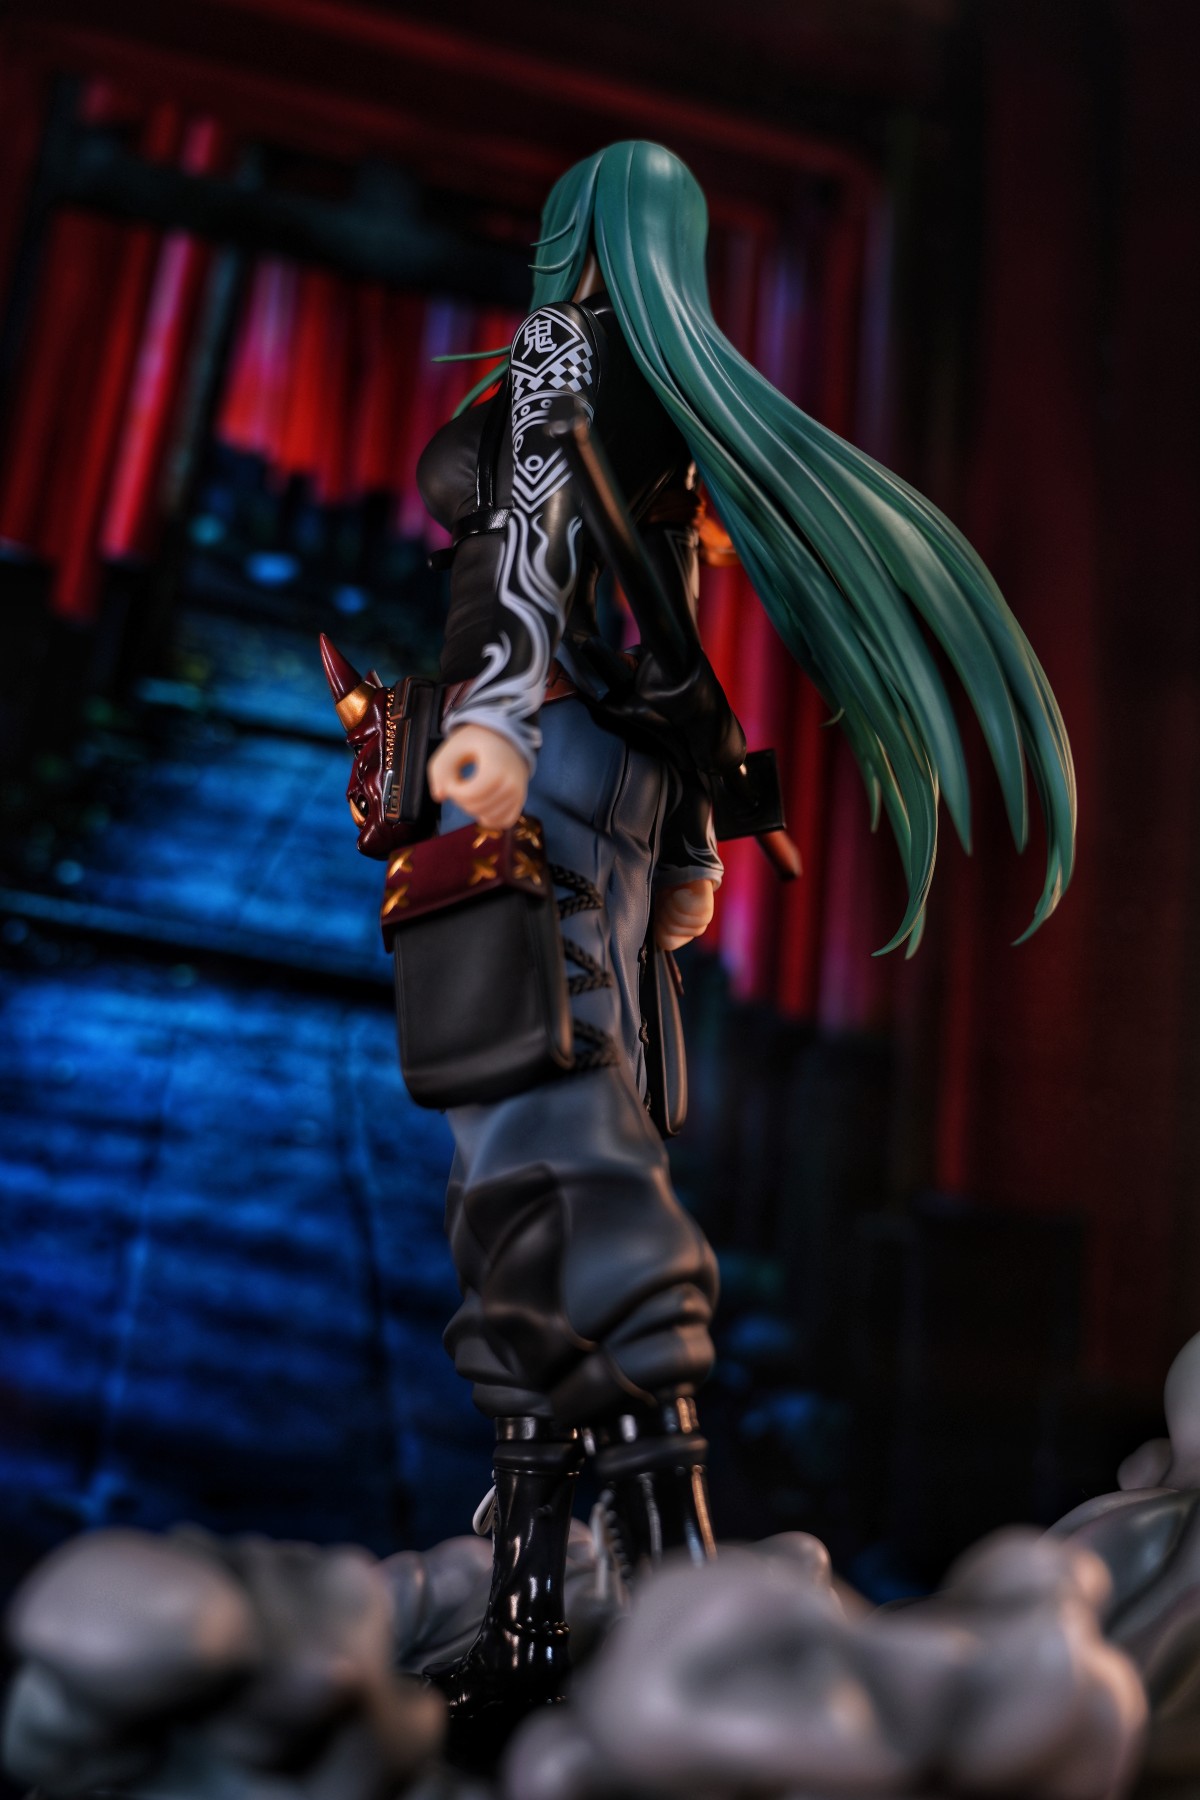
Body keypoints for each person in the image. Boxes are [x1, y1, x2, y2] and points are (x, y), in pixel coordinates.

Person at [323, 139, 1076, 1739]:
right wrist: (701, 809)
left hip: (544, 769)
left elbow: (538, 547)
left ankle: (667, 1588)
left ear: (581, 234)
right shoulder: (663, 401)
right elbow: (644, 611)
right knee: (555, 1157)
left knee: (541, 1160)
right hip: (624, 788)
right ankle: (555, 1596)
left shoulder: (561, 351)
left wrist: (493, 723)